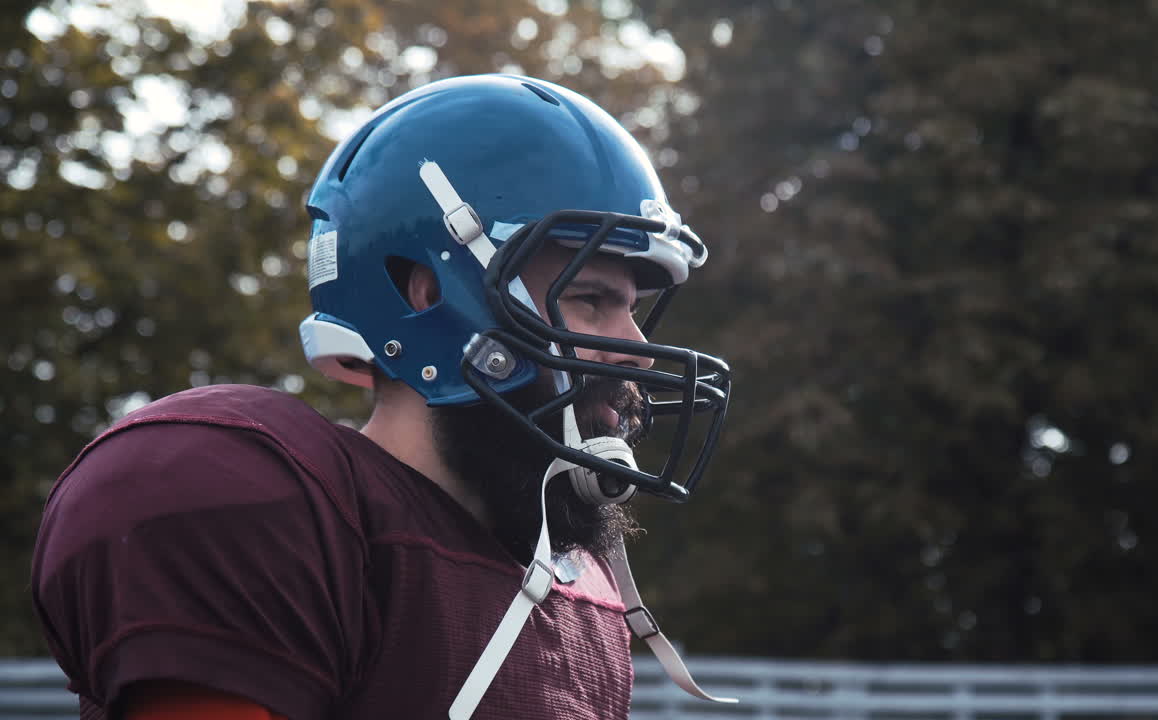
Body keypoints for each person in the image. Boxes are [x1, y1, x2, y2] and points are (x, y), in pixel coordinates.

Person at [31, 74, 735, 720]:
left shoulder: (584, 595)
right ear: (427, 295)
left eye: (634, 307)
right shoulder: (261, 501)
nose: (633, 349)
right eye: (590, 300)